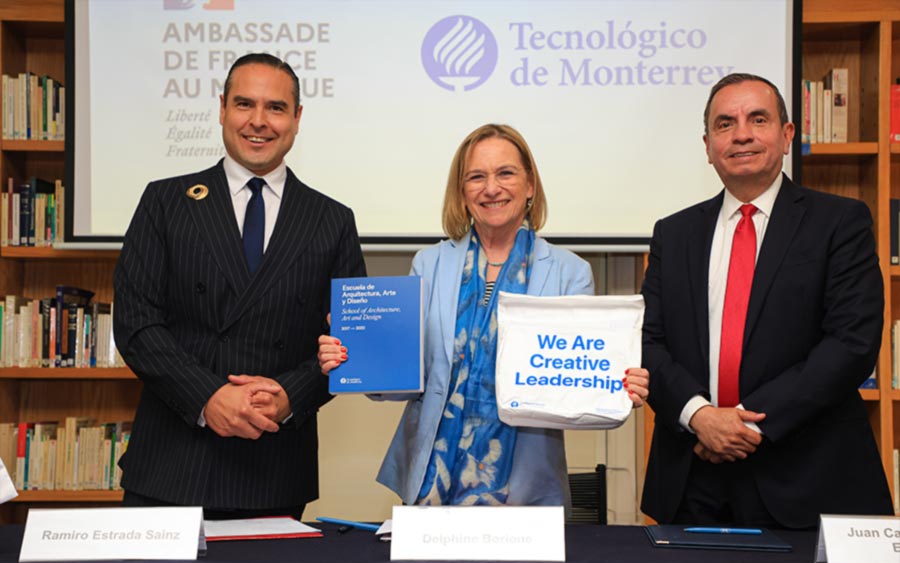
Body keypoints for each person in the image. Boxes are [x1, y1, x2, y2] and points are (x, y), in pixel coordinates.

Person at [318, 124, 649, 507]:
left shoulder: (569, 272)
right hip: (433, 480)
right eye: (476, 177)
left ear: (530, 186)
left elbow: (574, 384)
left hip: (524, 484)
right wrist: (357, 356)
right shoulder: (429, 264)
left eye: (505, 173)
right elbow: (409, 378)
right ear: (462, 192)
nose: (491, 188)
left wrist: (615, 386)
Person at [113, 53, 365, 519]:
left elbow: (349, 341)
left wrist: (290, 395)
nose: (259, 121)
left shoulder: (331, 220)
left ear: (297, 118)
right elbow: (136, 324)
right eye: (245, 104)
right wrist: (209, 398)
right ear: (222, 108)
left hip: (272, 465)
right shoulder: (165, 202)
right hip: (171, 462)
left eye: (276, 107)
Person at [641, 73, 893, 529]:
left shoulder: (840, 223)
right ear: (707, 144)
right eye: (725, 124)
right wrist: (699, 417)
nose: (741, 134)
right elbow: (648, 342)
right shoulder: (673, 234)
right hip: (693, 478)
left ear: (787, 134)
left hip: (806, 475)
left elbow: (850, 344)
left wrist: (742, 426)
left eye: (758, 119)